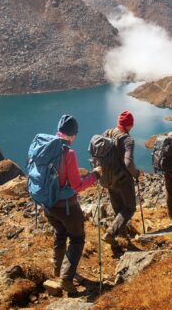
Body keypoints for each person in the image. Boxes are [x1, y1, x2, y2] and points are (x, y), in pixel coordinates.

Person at [44, 114, 102, 293]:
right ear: (72, 134)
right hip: (66, 206)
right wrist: (95, 175)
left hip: (47, 205)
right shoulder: (68, 153)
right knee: (77, 238)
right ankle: (66, 279)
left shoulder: (46, 146)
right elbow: (77, 185)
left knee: (60, 232)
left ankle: (58, 267)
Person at [101, 110, 142, 245]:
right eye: (131, 124)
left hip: (108, 180)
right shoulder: (127, 139)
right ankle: (111, 233)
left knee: (119, 210)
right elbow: (128, 163)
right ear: (129, 125)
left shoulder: (107, 133)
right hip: (123, 180)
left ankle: (122, 238)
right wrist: (137, 173)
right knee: (129, 208)